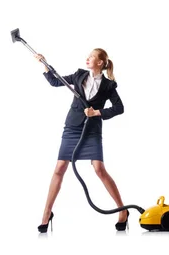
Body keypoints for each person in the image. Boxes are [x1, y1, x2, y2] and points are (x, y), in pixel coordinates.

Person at [35, 48, 128, 233]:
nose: (87, 58)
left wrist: (97, 112)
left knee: (99, 169)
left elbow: (119, 108)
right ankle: (46, 213)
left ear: (100, 62)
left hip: (92, 130)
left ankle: (122, 210)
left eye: (92, 56)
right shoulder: (79, 75)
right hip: (72, 128)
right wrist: (45, 65)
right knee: (59, 168)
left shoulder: (109, 85)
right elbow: (55, 81)